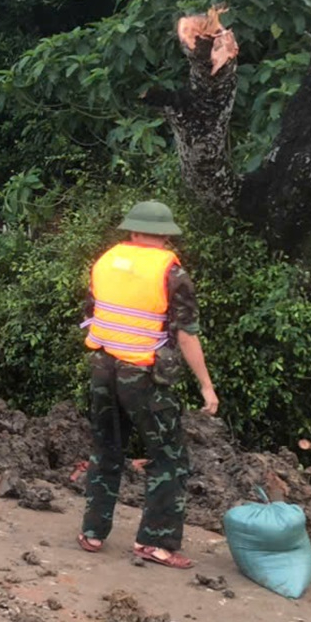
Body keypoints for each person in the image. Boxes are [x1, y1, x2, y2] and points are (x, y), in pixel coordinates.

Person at [77, 201, 218, 569]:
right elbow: (186, 335)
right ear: (165, 234)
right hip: (141, 375)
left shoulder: (104, 262)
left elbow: (91, 314)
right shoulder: (172, 273)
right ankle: (155, 543)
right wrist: (207, 386)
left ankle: (92, 532)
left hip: (102, 366)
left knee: (106, 448)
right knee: (169, 457)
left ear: (132, 230)